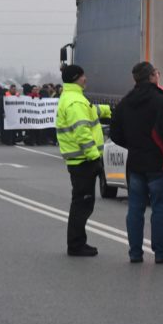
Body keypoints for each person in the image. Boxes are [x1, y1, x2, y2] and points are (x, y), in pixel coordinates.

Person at [110, 62, 163, 264]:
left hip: (135, 163)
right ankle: (160, 253)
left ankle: (135, 253)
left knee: (135, 208)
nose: (158, 76)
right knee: (160, 209)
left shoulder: (126, 102)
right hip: (159, 163)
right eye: (157, 73)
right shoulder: (161, 102)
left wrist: (133, 145)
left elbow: (115, 132)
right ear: (151, 77)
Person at [56, 65, 111, 257]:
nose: (86, 78)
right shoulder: (75, 102)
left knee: (81, 203)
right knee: (82, 204)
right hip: (83, 161)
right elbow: (82, 131)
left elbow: (91, 111)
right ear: (76, 78)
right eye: (83, 76)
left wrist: (108, 110)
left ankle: (78, 242)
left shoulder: (74, 98)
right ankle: (76, 245)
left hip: (79, 161)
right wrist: (95, 158)